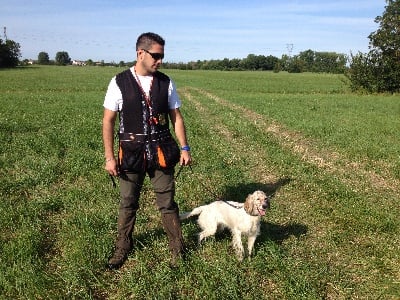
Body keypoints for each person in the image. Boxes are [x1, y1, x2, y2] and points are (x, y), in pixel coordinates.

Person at [102, 32, 192, 269]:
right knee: (128, 202)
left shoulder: (166, 82)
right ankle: (123, 246)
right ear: (140, 53)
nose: (160, 60)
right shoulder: (119, 82)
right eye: (156, 55)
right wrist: (110, 157)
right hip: (130, 154)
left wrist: (184, 148)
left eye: (162, 56)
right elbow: (108, 121)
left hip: (162, 152)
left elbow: (177, 118)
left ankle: (177, 248)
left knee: (168, 202)